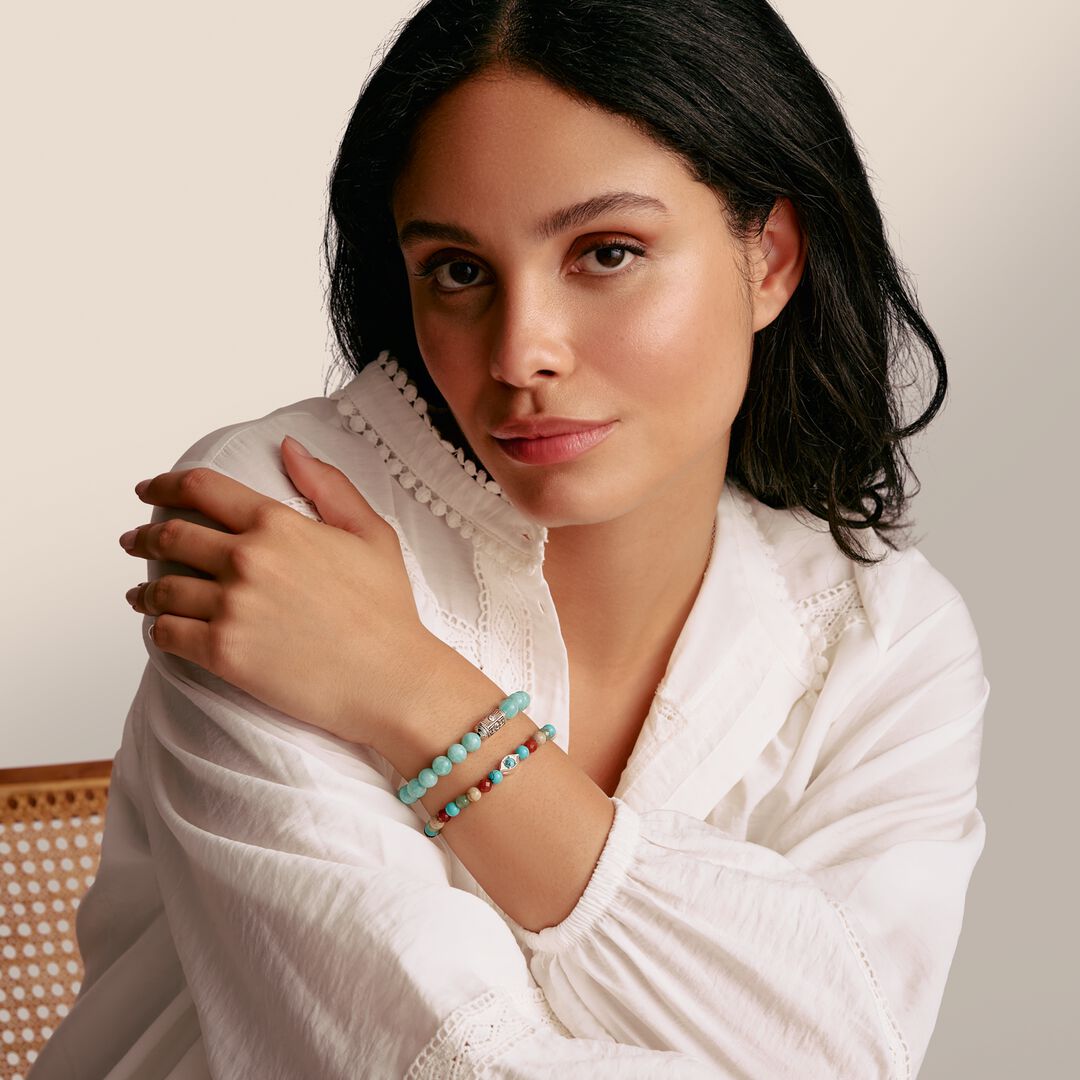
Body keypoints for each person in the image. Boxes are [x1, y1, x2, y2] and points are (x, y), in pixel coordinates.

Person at [30, 1, 988, 1077]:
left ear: (769, 258)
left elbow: (857, 1052)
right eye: (458, 270)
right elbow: (436, 1063)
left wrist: (416, 694)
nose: (521, 350)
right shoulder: (275, 518)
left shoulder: (883, 637)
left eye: (607, 252)